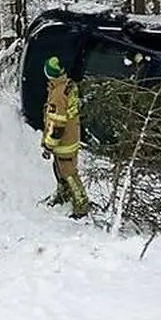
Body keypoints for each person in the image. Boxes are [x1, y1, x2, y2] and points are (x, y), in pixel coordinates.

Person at [42, 56, 89, 218]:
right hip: (72, 136)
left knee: (68, 172)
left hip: (64, 141)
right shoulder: (68, 86)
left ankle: (81, 205)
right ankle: (63, 195)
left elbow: (58, 125)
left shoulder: (58, 94)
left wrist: (48, 145)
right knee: (60, 170)